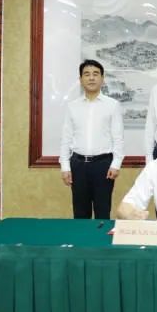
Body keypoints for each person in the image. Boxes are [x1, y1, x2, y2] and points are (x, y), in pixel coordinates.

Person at [59, 59, 124, 219]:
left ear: (102, 79)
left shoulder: (112, 105)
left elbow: (118, 138)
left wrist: (116, 164)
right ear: (81, 79)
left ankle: (101, 237)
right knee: (80, 214)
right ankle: (81, 237)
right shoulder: (72, 106)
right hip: (78, 165)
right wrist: (65, 167)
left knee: (103, 212)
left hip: (103, 165)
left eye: (96, 74)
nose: (91, 78)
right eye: (86, 74)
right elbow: (66, 138)